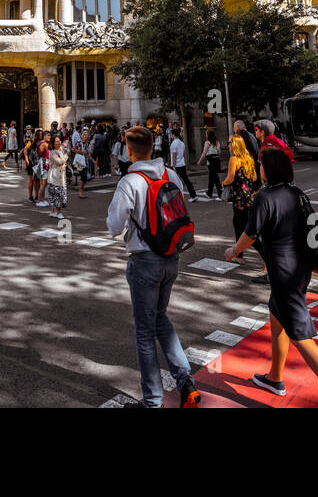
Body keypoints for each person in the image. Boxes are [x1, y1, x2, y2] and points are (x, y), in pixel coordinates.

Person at [224, 146, 318, 406]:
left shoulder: (264, 197)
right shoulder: (295, 192)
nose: (259, 168)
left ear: (269, 169)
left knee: (303, 339)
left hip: (284, 274)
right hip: (299, 269)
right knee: (277, 319)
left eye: (262, 164)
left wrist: (232, 251)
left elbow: (250, 234)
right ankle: (274, 377)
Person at [105, 125, 201, 409]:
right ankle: (186, 384)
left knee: (145, 333)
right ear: (153, 147)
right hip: (172, 257)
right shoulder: (170, 174)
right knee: (160, 318)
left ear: (129, 150)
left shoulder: (129, 181)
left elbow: (113, 227)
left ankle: (152, 402)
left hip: (144, 261)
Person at [223, 135, 261, 264]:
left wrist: (224, 183)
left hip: (239, 199)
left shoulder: (234, 159)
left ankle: (265, 256)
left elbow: (230, 178)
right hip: (249, 197)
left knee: (241, 226)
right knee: (243, 225)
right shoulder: (249, 159)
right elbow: (255, 178)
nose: (228, 145)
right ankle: (239, 255)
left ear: (234, 145)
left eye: (229, 142)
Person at [168, 126, 197, 201]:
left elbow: (174, 155)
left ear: (173, 135)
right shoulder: (182, 143)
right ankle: (193, 195)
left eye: (171, 134)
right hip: (182, 163)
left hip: (176, 164)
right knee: (186, 180)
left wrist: (174, 166)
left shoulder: (174, 144)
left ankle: (172, 197)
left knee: (172, 180)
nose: (171, 136)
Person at [46, 136, 69, 218]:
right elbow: (60, 162)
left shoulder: (61, 150)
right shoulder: (52, 152)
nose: (59, 142)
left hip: (60, 177)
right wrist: (66, 156)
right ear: (52, 143)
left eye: (59, 141)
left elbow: (65, 148)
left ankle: (54, 212)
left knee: (58, 195)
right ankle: (58, 212)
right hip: (54, 177)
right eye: (56, 141)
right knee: (56, 195)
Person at [198, 128, 223, 200]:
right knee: (211, 178)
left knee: (215, 178)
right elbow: (219, 152)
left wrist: (200, 161)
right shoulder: (217, 142)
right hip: (216, 161)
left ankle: (220, 194)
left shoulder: (207, 142)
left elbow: (204, 153)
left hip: (210, 162)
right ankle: (209, 193)